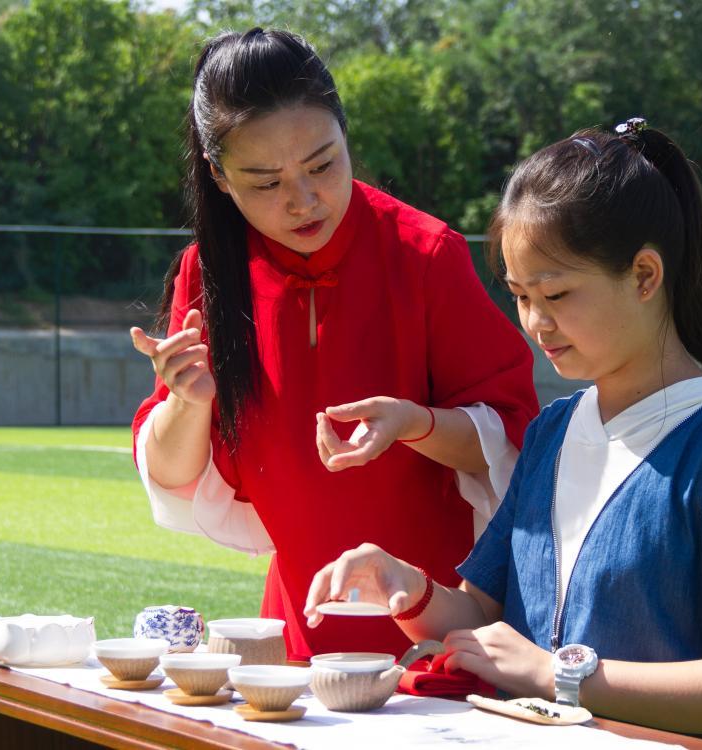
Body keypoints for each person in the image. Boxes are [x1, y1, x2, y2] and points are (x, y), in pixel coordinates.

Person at [305, 119, 702, 749]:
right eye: (520, 296)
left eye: (557, 293)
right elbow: (483, 623)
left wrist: (561, 675)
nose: (535, 323)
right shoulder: (553, 430)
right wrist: (407, 589)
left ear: (645, 276)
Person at [129, 28, 539, 662]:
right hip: (293, 635)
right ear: (219, 177)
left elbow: (514, 443)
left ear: (347, 136)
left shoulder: (424, 254)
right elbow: (173, 477)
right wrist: (188, 402)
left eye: (323, 164)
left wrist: (415, 424)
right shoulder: (206, 272)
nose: (303, 200)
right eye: (265, 182)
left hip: (439, 624)